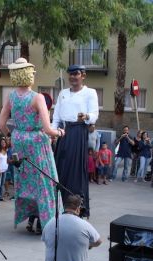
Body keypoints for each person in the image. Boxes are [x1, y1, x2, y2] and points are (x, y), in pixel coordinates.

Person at [0, 58, 63, 229]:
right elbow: (48, 129)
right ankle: (47, 220)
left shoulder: (11, 96)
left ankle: (31, 216)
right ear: (29, 75)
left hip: (19, 140)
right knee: (45, 181)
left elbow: (1, 124)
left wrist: (12, 136)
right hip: (36, 142)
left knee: (26, 181)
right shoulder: (37, 97)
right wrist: (60, 132)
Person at [51, 64, 99, 218]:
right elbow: (57, 115)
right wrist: (52, 132)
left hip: (79, 131)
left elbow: (94, 114)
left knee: (76, 170)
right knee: (61, 169)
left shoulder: (90, 93)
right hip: (63, 132)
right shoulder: (63, 93)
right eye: (70, 74)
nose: (72, 77)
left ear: (83, 75)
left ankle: (78, 207)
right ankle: (60, 206)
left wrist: (86, 116)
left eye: (76, 74)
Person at [41, 194, 101, 261]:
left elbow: (44, 239)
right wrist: (88, 245)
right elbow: (98, 241)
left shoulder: (51, 222)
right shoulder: (84, 224)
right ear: (78, 209)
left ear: (65, 207)